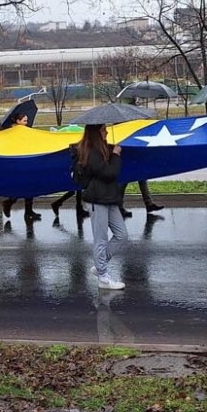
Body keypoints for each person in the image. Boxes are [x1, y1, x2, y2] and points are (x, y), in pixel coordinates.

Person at [75, 123, 126, 290]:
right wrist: (116, 155)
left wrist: (112, 152)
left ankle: (99, 266)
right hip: (97, 199)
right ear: (96, 132)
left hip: (109, 198)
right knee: (101, 239)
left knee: (121, 235)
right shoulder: (92, 151)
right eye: (103, 129)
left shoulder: (101, 148)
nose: (106, 132)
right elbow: (109, 173)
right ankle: (103, 278)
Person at [0, 112, 43, 222]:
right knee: (24, 186)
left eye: (26, 120)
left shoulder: (25, 132)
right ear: (17, 121)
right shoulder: (12, 133)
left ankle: (27, 211)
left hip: (27, 163)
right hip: (18, 164)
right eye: (24, 120)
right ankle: (10, 202)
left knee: (29, 186)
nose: (26, 122)